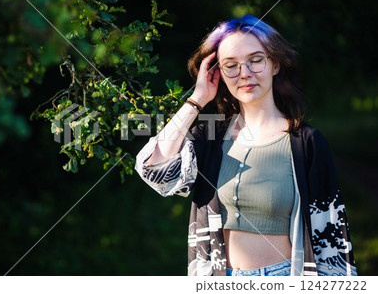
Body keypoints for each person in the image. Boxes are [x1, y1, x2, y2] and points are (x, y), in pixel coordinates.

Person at [134, 15, 358, 276]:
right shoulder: (211, 137)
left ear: (275, 64)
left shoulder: (305, 143)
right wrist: (197, 99)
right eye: (231, 65)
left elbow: (330, 233)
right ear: (218, 73)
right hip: (218, 278)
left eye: (255, 60)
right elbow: (154, 172)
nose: (245, 74)